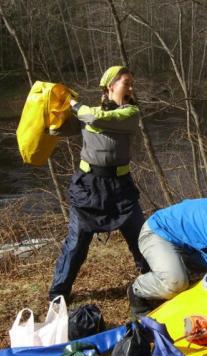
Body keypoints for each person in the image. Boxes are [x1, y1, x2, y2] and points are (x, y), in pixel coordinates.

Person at [48, 66, 149, 303]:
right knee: (76, 243)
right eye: (126, 82)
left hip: (121, 187)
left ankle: (153, 280)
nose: (131, 87)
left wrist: (73, 104)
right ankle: (58, 294)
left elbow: (95, 117)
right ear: (110, 86)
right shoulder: (89, 113)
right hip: (89, 186)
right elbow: (59, 129)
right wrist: (52, 115)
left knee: (141, 238)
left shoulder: (131, 113)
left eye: (131, 83)